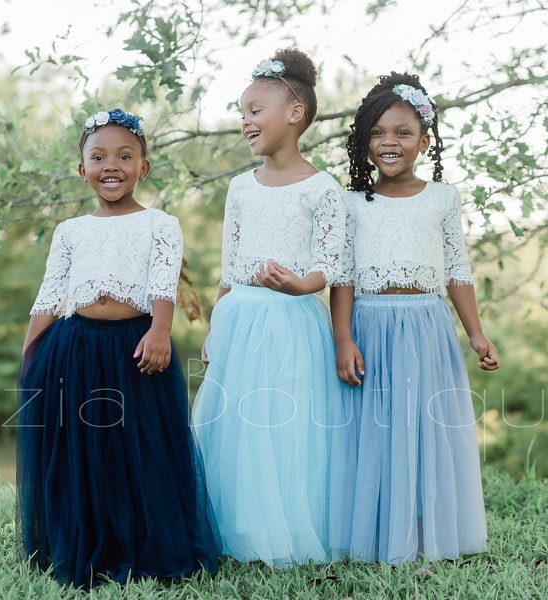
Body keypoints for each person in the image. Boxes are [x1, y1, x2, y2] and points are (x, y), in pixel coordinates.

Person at [16, 108, 220, 589]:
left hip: (136, 349)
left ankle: (148, 547)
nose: (112, 165)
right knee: (83, 452)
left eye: (125, 156)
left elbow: (163, 282)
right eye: (99, 156)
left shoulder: (161, 224)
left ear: (143, 168)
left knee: (141, 450)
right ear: (82, 169)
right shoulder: (71, 230)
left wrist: (161, 331)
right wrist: (30, 354)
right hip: (75, 348)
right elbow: (50, 294)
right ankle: (90, 545)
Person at [329, 73, 500, 564]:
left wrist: (476, 334)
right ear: (364, 141)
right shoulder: (350, 203)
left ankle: (425, 535)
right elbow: (342, 276)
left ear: (424, 141)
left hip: (427, 326)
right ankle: (377, 534)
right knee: (375, 432)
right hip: (369, 326)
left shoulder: (443, 199)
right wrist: (343, 337)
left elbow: (458, 271)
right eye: (378, 132)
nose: (389, 142)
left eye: (402, 132)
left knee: (425, 430)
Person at [191, 49, 347, 567]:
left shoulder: (324, 189)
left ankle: (282, 531)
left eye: (256, 110)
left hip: (292, 321)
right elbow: (229, 266)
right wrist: (217, 322)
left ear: (295, 112)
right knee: (233, 424)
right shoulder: (239, 187)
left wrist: (303, 285)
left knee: (283, 426)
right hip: (240, 319)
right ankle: (232, 532)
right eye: (243, 112)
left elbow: (333, 264)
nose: (246, 121)